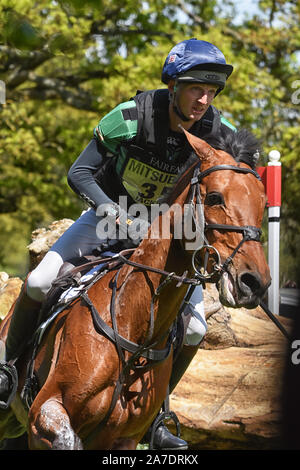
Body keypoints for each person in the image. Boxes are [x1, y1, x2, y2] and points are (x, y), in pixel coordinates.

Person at [0, 38, 235, 449]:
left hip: (168, 236)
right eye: (196, 88)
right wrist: (115, 212)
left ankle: (159, 416)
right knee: (39, 281)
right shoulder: (130, 117)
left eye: (211, 91)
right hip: (109, 216)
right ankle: (5, 371)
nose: (204, 100)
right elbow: (80, 173)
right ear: (173, 85)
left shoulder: (219, 133)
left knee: (195, 327)